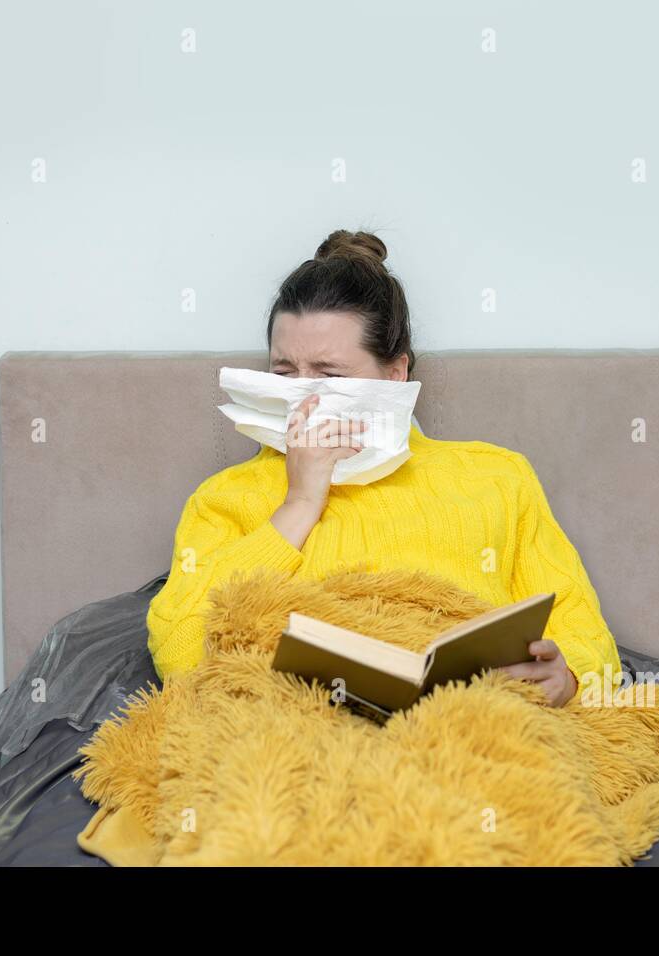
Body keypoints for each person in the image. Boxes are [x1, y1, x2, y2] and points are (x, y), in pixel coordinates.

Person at [147, 229, 622, 707]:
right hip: (298, 727)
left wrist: (571, 678)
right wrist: (299, 504)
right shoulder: (226, 497)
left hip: (469, 721)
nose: (304, 394)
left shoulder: (496, 478)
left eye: (329, 374)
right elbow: (181, 654)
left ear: (395, 374)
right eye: (284, 373)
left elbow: (582, 631)